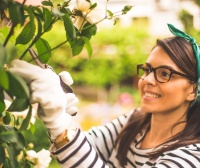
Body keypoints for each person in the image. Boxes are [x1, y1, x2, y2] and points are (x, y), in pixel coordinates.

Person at [9, 23, 200, 168]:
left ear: (192, 90)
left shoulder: (191, 157)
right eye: (147, 70)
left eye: (164, 74)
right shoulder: (135, 122)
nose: (148, 80)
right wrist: (64, 113)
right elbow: (86, 146)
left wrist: (59, 122)